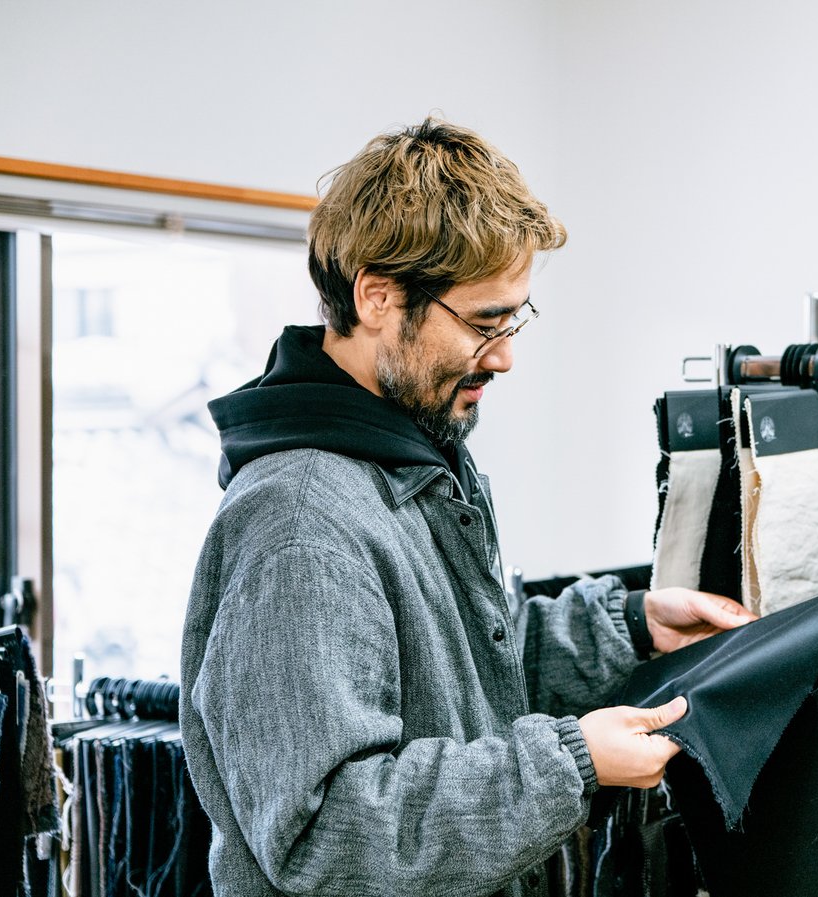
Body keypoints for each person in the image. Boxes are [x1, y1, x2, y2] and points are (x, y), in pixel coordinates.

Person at [179, 118, 755, 897]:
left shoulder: (413, 457)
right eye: (484, 323)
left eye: (514, 319)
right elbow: (326, 831)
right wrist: (570, 761)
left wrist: (626, 628)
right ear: (376, 297)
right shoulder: (301, 525)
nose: (506, 354)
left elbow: (467, 672)